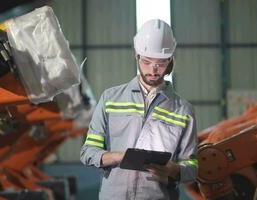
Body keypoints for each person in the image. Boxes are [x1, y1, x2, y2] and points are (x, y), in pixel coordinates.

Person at [80, 19, 198, 200]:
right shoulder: (110, 99)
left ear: (170, 60)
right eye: (147, 61)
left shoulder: (183, 110)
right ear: (137, 56)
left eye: (161, 62)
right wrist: (120, 157)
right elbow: (88, 152)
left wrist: (174, 169)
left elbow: (193, 165)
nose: (153, 69)